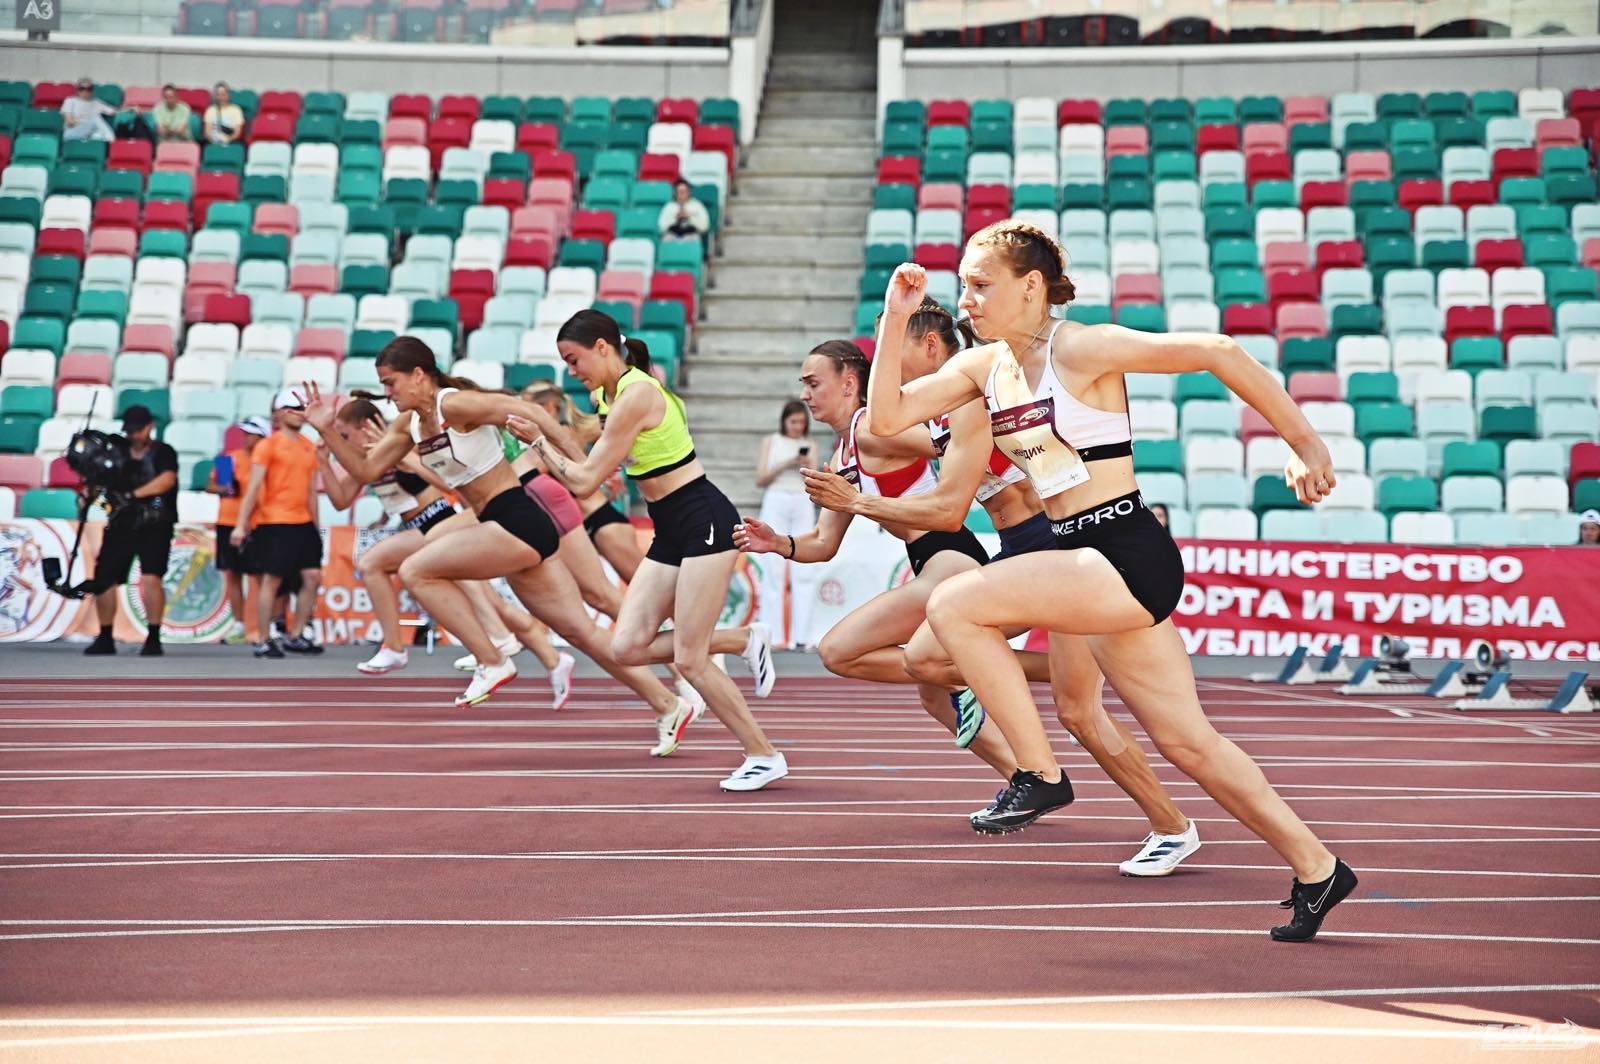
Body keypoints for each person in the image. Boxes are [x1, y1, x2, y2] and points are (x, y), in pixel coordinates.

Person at [866, 223, 1356, 941]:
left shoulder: (1079, 346)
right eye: (963, 285)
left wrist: (1306, 444)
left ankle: (1038, 773)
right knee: (1188, 744)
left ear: (1031, 287)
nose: (966, 298)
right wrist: (895, 316)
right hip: (1080, 561)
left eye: (980, 285)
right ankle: (1318, 868)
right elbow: (884, 419)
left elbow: (1216, 351)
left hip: (1125, 551)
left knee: (955, 602)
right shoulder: (984, 369)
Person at [795, 300, 1199, 877]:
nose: (883, 361)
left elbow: (948, 508)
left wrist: (857, 498)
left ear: (931, 347)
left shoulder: (979, 393)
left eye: (893, 347)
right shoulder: (938, 412)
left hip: (1062, 543)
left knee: (1079, 713)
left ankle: (1169, 825)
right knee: (931, 659)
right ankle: (1035, 735)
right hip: (1020, 548)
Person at [304, 340, 699, 754]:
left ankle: (492, 659)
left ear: (419, 374)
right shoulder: (408, 425)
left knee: (416, 570)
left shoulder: (453, 405)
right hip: (500, 528)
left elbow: (528, 411)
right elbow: (365, 469)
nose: (387, 393)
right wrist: (326, 429)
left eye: (392, 382)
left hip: (516, 518)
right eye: (383, 385)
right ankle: (668, 705)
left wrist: (583, 464)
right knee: (579, 631)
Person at [509, 310, 787, 791]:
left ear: (602, 347)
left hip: (703, 520)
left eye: (573, 360)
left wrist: (538, 443)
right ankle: (741, 640)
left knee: (690, 659)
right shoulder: (605, 394)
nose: (571, 372)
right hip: (669, 528)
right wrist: (569, 446)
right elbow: (592, 457)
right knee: (628, 647)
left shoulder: (637, 394)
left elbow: (585, 479)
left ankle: (763, 754)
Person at [232, 389, 324, 658]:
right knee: (271, 581)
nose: (299, 413)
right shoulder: (268, 445)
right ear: (280, 413)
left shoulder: (308, 444)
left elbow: (311, 492)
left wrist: (316, 527)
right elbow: (253, 488)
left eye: (300, 408)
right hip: (274, 521)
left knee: (312, 577)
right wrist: (241, 524)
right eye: (293, 408)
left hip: (303, 522)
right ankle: (262, 637)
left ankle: (295, 635)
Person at [82, 404, 178, 656]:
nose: (134, 435)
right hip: (121, 522)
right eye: (130, 431)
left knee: (151, 576)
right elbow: (101, 478)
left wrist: (132, 495)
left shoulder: (163, 452)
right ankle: (105, 636)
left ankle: (154, 636)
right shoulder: (117, 452)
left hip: (155, 523)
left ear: (149, 428)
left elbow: (167, 479)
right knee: (104, 578)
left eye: (138, 430)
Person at [754, 399, 820, 648]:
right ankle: (772, 635)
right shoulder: (771, 442)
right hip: (776, 498)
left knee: (804, 565)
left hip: (801, 500)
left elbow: (814, 480)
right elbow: (761, 478)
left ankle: (802, 635)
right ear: (784, 421)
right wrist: (786, 463)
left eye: (801, 422)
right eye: (793, 422)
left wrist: (805, 465)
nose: (796, 427)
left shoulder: (810, 444)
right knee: (773, 568)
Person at [207, 414, 272, 646]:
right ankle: (239, 624)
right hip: (228, 521)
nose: (245, 438)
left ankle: (258, 625)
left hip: (256, 523)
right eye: (244, 433)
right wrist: (224, 488)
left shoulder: (267, 460)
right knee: (233, 575)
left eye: (250, 434)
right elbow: (211, 485)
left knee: (260, 576)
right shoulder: (230, 459)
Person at [60, 79, 116, 143]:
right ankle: (109, 139)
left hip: (90, 134)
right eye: (82, 88)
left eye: (89, 89)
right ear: (77, 90)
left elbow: (113, 112)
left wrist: (127, 108)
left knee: (100, 132)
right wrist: (86, 122)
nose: (85, 91)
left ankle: (101, 140)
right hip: (73, 132)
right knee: (96, 118)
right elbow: (69, 121)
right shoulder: (70, 100)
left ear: (92, 90)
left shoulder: (96, 103)